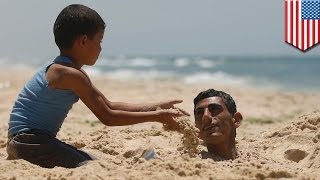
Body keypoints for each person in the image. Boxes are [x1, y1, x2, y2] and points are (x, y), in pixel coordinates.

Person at [6, 4, 188, 168]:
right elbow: (108, 117)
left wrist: (157, 107)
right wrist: (158, 117)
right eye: (99, 41)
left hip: (27, 141)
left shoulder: (69, 71)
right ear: (83, 41)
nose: (101, 48)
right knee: (90, 165)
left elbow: (109, 104)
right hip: (28, 142)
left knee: (91, 158)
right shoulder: (68, 74)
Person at [193, 89, 243, 160]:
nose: (205, 116)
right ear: (196, 126)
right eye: (200, 113)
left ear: (236, 120)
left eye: (214, 109)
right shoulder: (187, 163)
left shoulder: (259, 161)